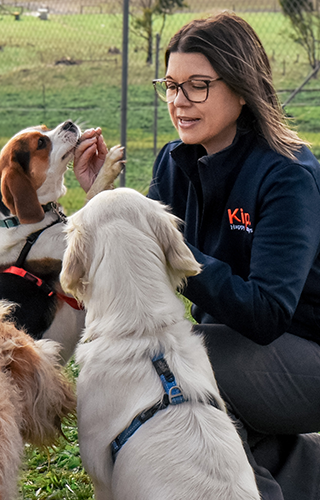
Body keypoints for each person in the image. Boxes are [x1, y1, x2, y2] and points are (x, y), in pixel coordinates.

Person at [73, 12, 320, 500]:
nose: (178, 102)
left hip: (305, 351)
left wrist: (177, 251)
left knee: (189, 359)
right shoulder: (173, 160)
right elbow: (147, 270)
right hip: (240, 352)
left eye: (197, 86)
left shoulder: (288, 176)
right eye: (170, 85)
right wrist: (103, 202)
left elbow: (268, 312)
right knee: (189, 360)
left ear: (243, 88)